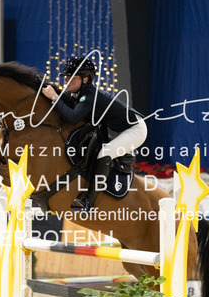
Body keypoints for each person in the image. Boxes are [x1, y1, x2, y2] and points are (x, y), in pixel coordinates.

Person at [42, 56, 148, 211]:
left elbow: (73, 117)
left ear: (85, 79)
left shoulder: (89, 95)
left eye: (71, 77)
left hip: (135, 130)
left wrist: (54, 97)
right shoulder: (81, 93)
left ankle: (87, 201)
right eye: (66, 76)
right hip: (115, 129)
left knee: (105, 153)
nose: (66, 80)